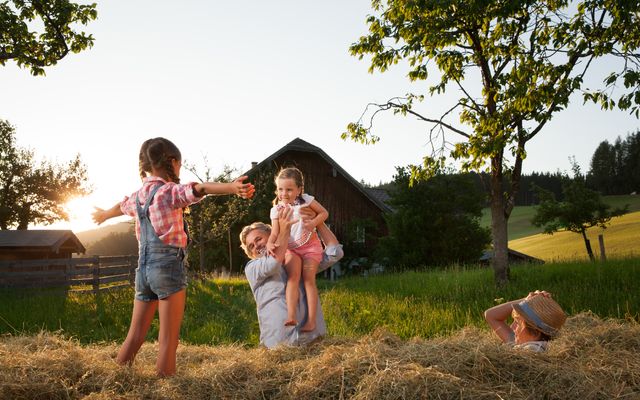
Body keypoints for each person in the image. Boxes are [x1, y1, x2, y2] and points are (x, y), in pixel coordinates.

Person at [91, 137, 254, 377]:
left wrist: (105, 214)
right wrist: (231, 188)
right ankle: (165, 386)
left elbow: (120, 205)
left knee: (135, 335)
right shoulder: (168, 192)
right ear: (173, 162)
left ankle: (115, 380)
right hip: (167, 267)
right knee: (168, 338)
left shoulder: (138, 197)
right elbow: (201, 188)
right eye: (180, 164)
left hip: (143, 271)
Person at [240, 206, 343, 349]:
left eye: (259, 239)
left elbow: (334, 253)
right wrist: (285, 230)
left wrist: (317, 221)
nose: (256, 246)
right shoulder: (253, 268)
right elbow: (273, 264)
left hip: (312, 342)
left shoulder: (299, 258)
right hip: (279, 345)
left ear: (272, 235)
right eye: (251, 246)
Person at [266, 167, 329, 333]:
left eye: (289, 189)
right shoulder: (276, 210)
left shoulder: (306, 200)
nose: (284, 193)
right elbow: (274, 233)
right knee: (293, 277)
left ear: (299, 189)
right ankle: (291, 316)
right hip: (291, 249)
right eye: (280, 189)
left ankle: (311, 321)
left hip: (310, 247)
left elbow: (324, 213)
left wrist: (314, 222)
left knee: (308, 279)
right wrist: (270, 243)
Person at [484, 290, 567, 352]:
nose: (512, 327)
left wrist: (524, 301)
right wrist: (526, 301)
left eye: (518, 323)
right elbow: (490, 315)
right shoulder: (523, 341)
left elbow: (491, 315)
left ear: (536, 333)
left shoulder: (531, 350)